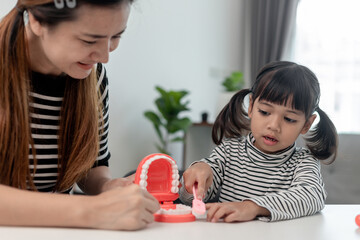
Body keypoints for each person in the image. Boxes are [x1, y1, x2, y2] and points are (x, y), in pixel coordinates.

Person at [0, 0, 160, 230]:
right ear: (37, 21)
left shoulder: (93, 77)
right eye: (89, 40)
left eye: (116, 37)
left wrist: (107, 187)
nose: (104, 56)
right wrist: (92, 211)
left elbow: (92, 165)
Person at [180, 61, 338, 223]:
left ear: (306, 124)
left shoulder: (303, 161)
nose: (274, 126)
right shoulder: (228, 152)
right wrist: (196, 179)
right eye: (264, 112)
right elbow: (189, 199)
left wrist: (251, 207)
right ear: (251, 107)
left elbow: (311, 196)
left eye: (289, 119)